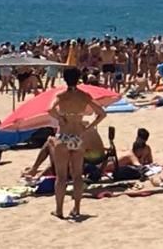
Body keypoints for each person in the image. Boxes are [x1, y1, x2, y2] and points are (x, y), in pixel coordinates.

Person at [47, 67, 107, 220]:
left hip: (64, 135)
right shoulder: (84, 96)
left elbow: (50, 109)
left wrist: (60, 118)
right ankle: (77, 208)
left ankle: (59, 210)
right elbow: (102, 113)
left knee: (61, 177)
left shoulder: (61, 95)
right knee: (77, 175)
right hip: (78, 136)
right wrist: (89, 127)